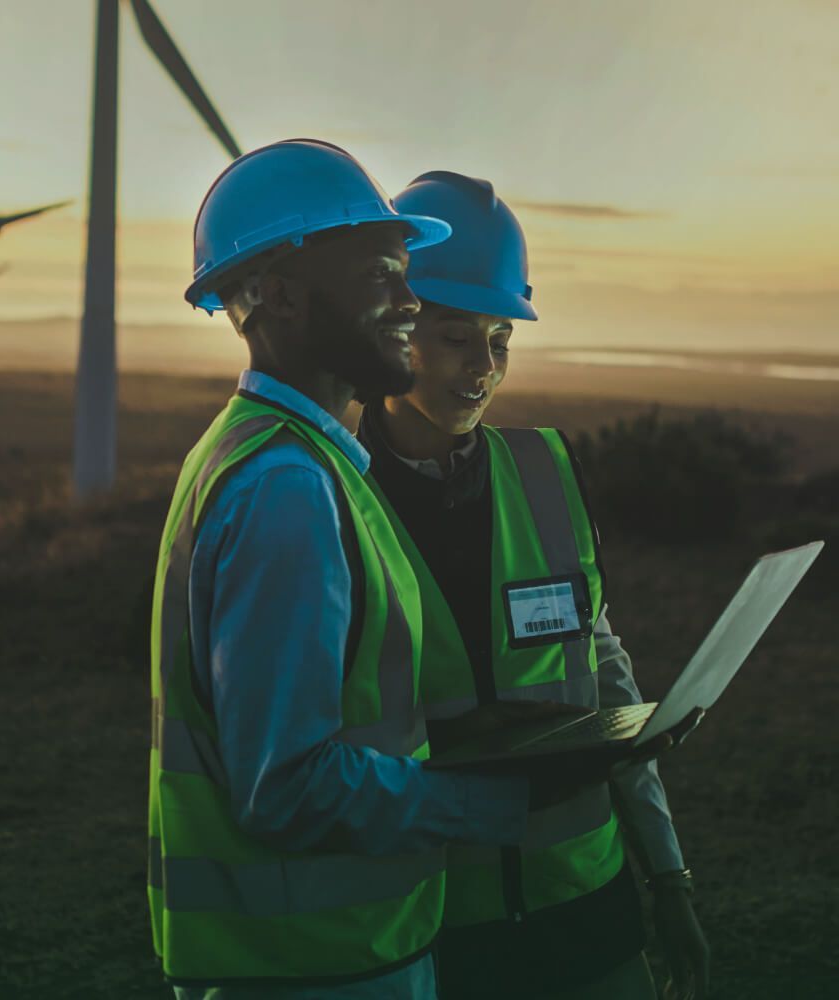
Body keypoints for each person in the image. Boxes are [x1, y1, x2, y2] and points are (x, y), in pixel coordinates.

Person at [146, 140, 638, 999]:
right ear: (283, 299)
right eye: (383, 276)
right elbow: (287, 786)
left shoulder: (302, 463)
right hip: (315, 963)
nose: (411, 301)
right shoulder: (286, 487)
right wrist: (495, 804)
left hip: (343, 949)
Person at [355, 171, 711, 999]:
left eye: (500, 340)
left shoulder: (546, 472)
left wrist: (667, 874)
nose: (483, 368)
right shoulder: (327, 496)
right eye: (454, 336)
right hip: (430, 931)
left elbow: (605, 678)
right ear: (394, 327)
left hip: (589, 911)